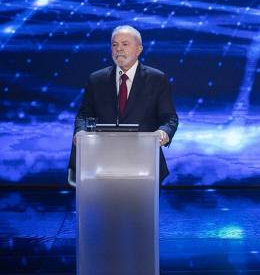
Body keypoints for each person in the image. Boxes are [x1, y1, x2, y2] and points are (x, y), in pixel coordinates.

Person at [67, 25, 179, 184]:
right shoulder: (97, 80)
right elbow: (84, 115)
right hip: (101, 165)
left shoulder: (157, 79)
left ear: (139, 49)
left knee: (140, 209)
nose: (119, 49)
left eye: (125, 44)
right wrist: (80, 132)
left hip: (144, 166)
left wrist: (163, 132)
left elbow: (170, 118)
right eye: (114, 45)